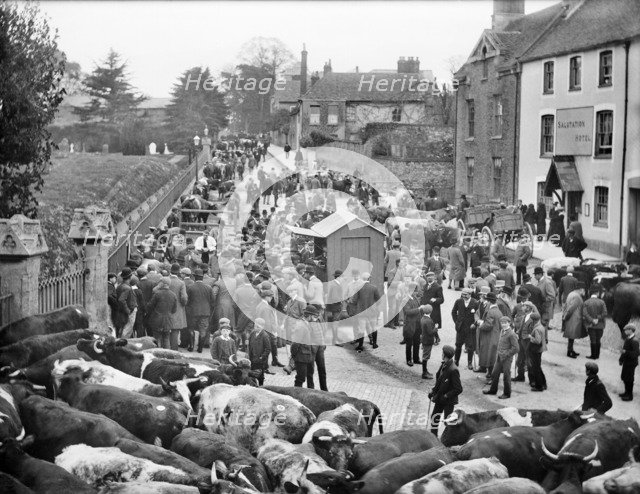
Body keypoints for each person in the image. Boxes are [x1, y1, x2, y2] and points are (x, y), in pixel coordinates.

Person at [428, 345, 462, 437]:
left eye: (442, 353)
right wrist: (433, 391)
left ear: (445, 355)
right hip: (440, 397)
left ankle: (447, 440)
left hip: (448, 401)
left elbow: (458, 389)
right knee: (434, 418)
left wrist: (446, 396)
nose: (441, 354)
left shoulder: (453, 370)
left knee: (448, 422)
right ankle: (433, 438)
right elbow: (439, 381)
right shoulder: (444, 364)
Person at [483, 316, 519, 399]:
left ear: (509, 323)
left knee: (506, 375)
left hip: (507, 358)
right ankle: (493, 390)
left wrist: (506, 354)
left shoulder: (511, 334)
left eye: (505, 323)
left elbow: (516, 348)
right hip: (499, 357)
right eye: (502, 323)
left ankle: (507, 393)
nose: (503, 325)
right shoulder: (502, 331)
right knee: (495, 373)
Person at [186, 268, 215, 353]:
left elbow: (187, 301)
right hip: (205, 312)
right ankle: (200, 348)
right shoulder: (209, 288)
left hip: (192, 312)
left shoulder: (190, 287)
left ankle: (191, 346)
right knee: (203, 330)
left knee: (191, 328)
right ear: (202, 277)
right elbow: (213, 302)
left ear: (195, 277)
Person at [144, 277, 177, 349]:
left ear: (163, 284)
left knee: (157, 338)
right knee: (166, 338)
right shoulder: (173, 295)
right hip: (168, 320)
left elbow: (150, 306)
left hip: (157, 319)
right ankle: (167, 355)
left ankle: (158, 354)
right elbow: (174, 310)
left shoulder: (157, 294)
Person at [351, 272, 381, 352]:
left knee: (361, 329)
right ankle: (374, 344)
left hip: (361, 312)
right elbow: (379, 300)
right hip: (372, 312)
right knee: (374, 328)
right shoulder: (374, 288)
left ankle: (360, 346)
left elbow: (354, 301)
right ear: (369, 279)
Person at [451, 288, 479, 370]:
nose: (464, 296)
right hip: (460, 328)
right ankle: (456, 361)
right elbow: (453, 312)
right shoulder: (458, 301)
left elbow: (478, 315)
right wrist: (456, 322)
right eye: (463, 294)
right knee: (458, 345)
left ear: (470, 294)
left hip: (470, 328)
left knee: (470, 346)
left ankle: (469, 363)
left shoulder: (475, 302)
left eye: (466, 295)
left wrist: (474, 324)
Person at [477, 292, 502, 379]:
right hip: (496, 335)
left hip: (489, 337)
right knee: (492, 355)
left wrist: (480, 324)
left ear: (489, 301)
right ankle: (490, 373)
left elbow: (488, 325)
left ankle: (492, 375)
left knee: (489, 355)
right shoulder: (498, 311)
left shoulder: (491, 312)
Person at [582, 286, 608, 360]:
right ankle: (597, 355)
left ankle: (593, 355)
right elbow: (605, 313)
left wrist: (592, 320)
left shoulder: (586, 302)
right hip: (600, 325)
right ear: (597, 293)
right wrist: (598, 318)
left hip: (591, 325)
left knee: (593, 340)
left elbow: (585, 314)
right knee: (598, 340)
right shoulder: (602, 302)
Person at [167, 263, 188, 351]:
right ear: (179, 272)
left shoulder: (165, 280)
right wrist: (183, 304)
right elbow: (184, 297)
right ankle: (174, 350)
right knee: (175, 331)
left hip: (165, 308)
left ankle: (165, 349)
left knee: (165, 331)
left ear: (170, 270)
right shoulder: (181, 283)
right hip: (177, 308)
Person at [563, 282, 586, 358]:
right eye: (584, 290)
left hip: (571, 319)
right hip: (574, 319)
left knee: (571, 336)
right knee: (572, 336)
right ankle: (569, 352)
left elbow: (566, 306)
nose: (584, 292)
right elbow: (571, 309)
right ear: (581, 289)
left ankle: (571, 350)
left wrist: (565, 316)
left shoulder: (571, 294)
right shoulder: (577, 297)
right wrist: (566, 317)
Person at [421, 271, 444, 345]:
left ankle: (436, 338)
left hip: (434, 309)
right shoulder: (424, 286)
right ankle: (426, 338)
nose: (429, 278)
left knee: (433, 324)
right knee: (425, 323)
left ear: (434, 277)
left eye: (431, 276)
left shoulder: (438, 287)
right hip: (425, 308)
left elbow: (441, 299)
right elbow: (423, 296)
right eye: (428, 276)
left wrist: (435, 299)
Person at [402, 282, 422, 367]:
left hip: (417, 325)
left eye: (416, 291)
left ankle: (416, 358)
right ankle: (409, 359)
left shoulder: (415, 298)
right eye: (415, 291)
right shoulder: (405, 300)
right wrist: (419, 309)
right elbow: (407, 312)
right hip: (410, 325)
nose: (416, 292)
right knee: (409, 344)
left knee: (417, 342)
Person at [115, 268, 137, 338]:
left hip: (123, 311)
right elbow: (121, 300)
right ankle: (123, 344)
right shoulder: (127, 288)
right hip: (129, 311)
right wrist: (128, 311)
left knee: (123, 329)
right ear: (130, 277)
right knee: (127, 331)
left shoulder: (120, 286)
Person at [248, 318, 271, 386]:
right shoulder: (252, 333)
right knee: (252, 373)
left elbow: (268, 349)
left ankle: (261, 386)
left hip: (260, 360)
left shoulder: (265, 336)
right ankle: (253, 386)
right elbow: (249, 344)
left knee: (260, 375)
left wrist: (262, 357)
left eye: (258, 327)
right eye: (255, 326)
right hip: (252, 358)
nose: (256, 328)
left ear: (262, 327)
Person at [619, 324, 639, 401]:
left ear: (631, 330)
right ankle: (626, 393)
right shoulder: (628, 339)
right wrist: (621, 359)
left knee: (629, 379)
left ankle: (629, 396)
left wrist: (626, 352)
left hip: (631, 363)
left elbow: (636, 353)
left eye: (626, 330)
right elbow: (624, 350)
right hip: (627, 362)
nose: (625, 331)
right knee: (624, 377)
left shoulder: (634, 341)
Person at [528, 312, 547, 391]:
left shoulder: (536, 329)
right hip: (540, 349)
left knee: (536, 368)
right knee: (538, 367)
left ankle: (539, 386)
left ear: (533, 320)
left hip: (536, 350)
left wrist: (530, 337)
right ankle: (543, 383)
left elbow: (537, 341)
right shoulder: (541, 326)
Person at [420, 304, 438, 379]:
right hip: (428, 341)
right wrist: (436, 328)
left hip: (424, 339)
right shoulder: (428, 321)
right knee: (425, 357)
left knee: (425, 356)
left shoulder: (423, 318)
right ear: (430, 311)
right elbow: (430, 332)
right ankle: (424, 373)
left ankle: (425, 370)